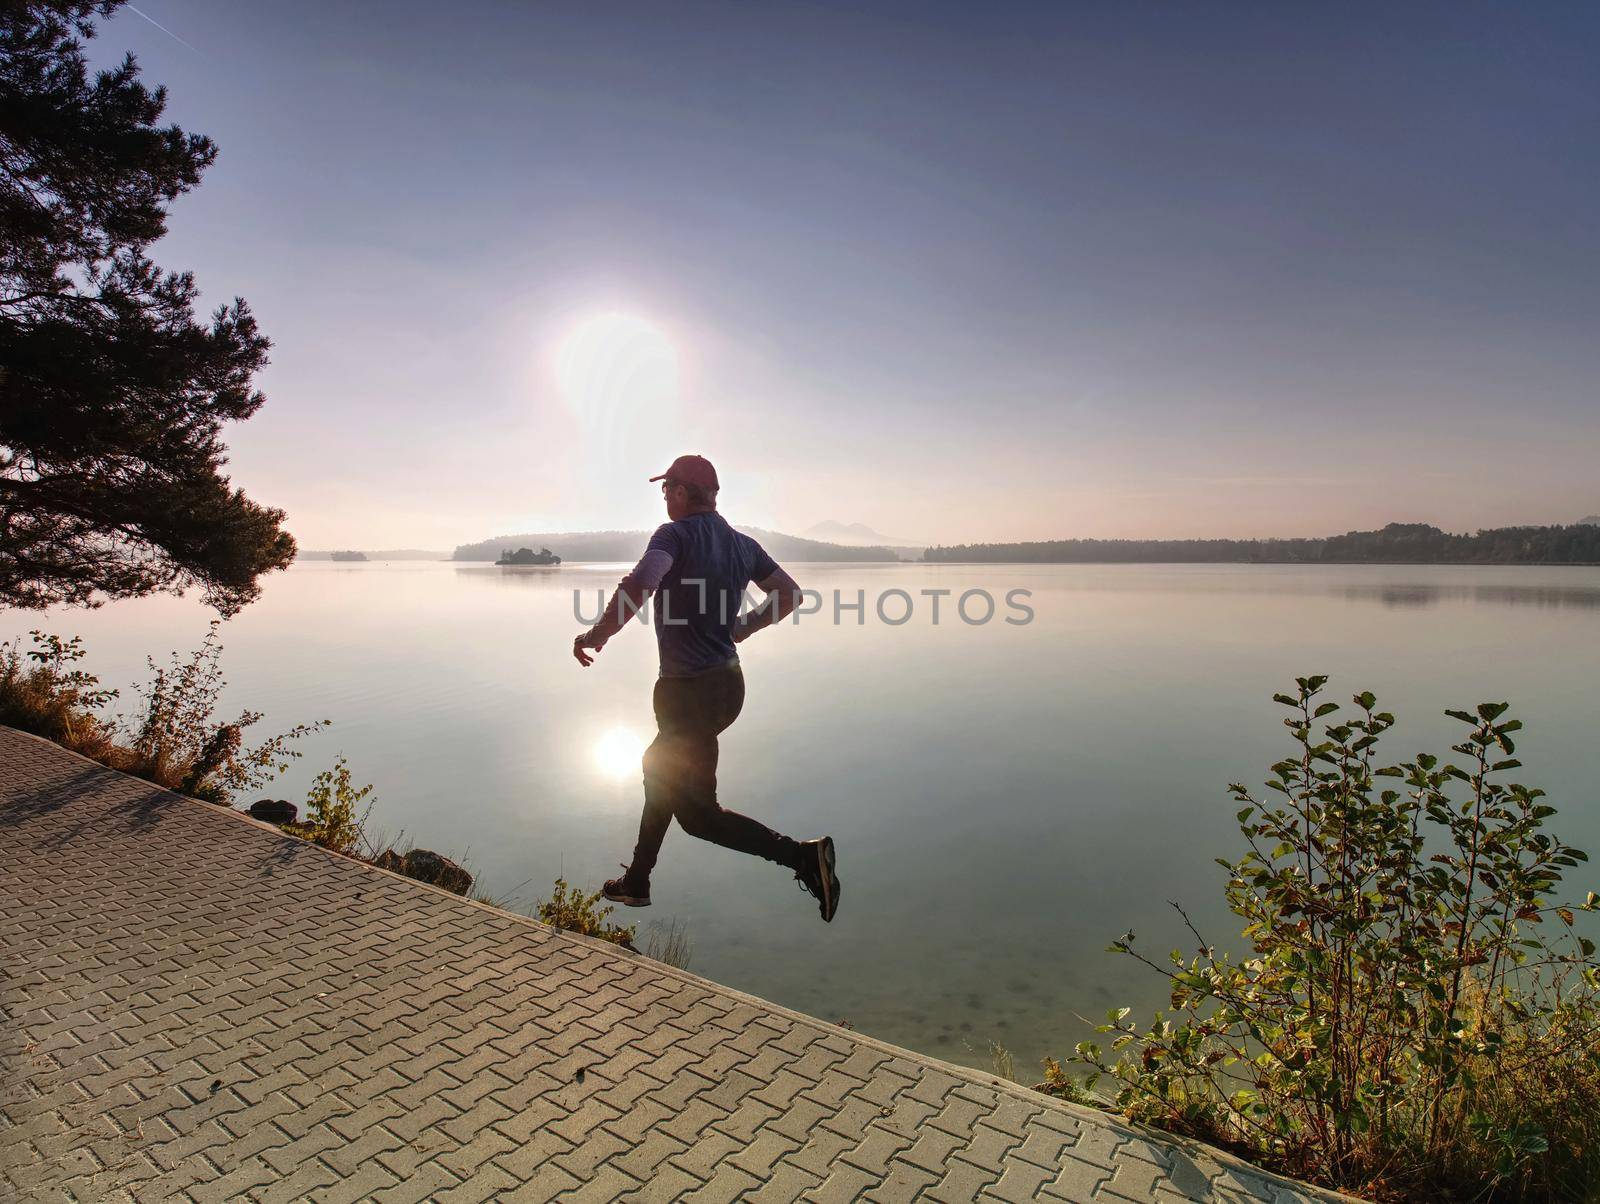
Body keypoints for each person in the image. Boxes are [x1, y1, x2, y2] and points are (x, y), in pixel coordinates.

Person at [572, 454, 840, 922]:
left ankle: (803, 856)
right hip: (728, 688)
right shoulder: (742, 545)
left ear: (679, 492)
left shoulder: (672, 536)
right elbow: (790, 595)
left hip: (686, 692)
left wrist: (594, 637)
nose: (663, 499)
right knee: (660, 769)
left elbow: (642, 584)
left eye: (665, 490)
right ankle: (637, 881)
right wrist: (743, 628)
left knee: (697, 815)